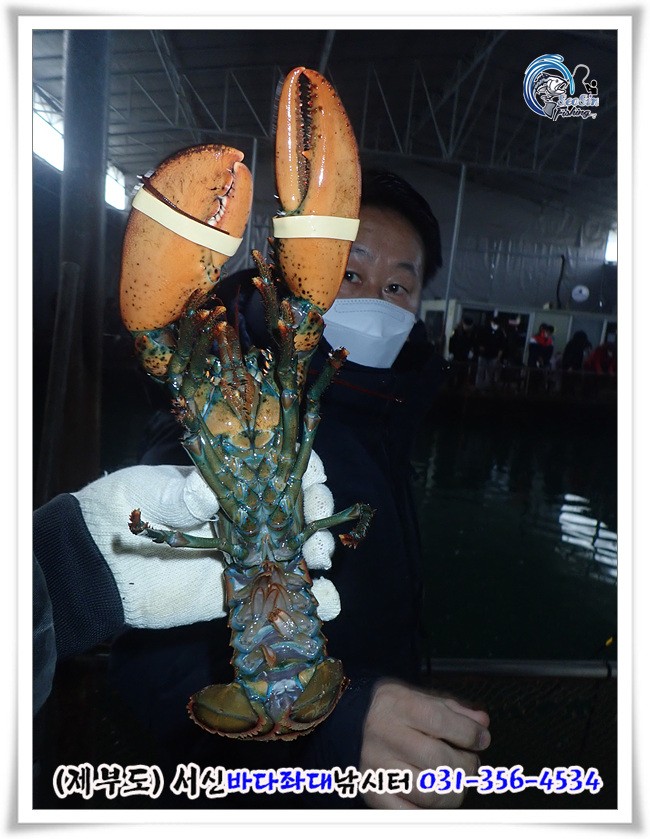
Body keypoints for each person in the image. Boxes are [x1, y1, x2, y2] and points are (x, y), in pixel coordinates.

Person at [34, 169, 491, 810]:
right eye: (348, 272)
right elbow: (155, 674)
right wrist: (335, 730)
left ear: (420, 300)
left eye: (398, 285)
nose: (374, 299)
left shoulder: (393, 411)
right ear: (300, 270)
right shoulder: (205, 423)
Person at [474, 315, 507, 389]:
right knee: (480, 372)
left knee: (490, 373)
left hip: (493, 356)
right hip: (483, 355)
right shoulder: (484, 330)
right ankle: (478, 387)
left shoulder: (500, 333)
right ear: (491, 322)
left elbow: (502, 346)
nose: (496, 326)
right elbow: (477, 341)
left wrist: (498, 357)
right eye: (495, 324)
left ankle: (486, 388)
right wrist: (480, 347)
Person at [448, 316, 475, 389]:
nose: (467, 327)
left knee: (462, 374)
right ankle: (450, 388)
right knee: (452, 373)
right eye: (466, 326)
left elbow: (472, 343)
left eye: (469, 326)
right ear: (463, 324)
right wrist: (450, 352)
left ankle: (459, 387)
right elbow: (451, 342)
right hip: (455, 355)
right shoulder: (456, 331)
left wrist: (471, 352)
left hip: (465, 357)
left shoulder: (471, 333)